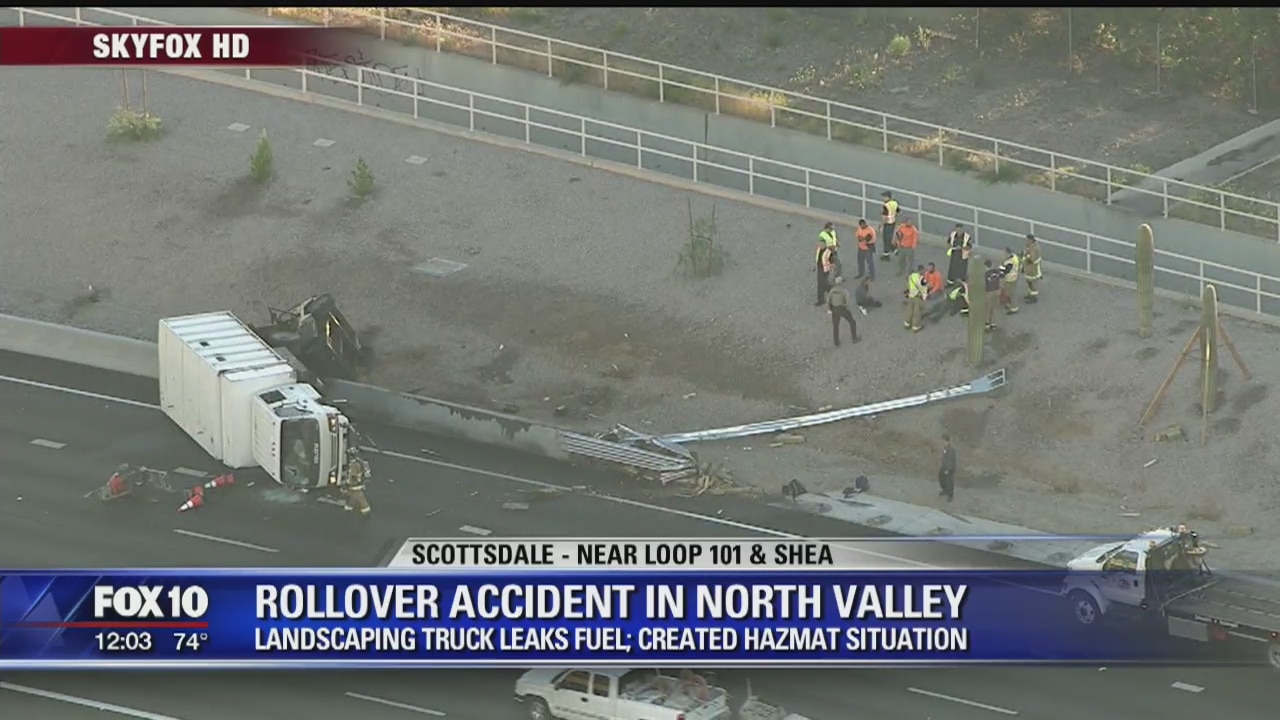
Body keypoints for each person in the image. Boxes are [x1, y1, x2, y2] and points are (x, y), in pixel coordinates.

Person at [826, 276, 859, 347]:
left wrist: (830, 308)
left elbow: (828, 301)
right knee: (852, 322)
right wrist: (846, 307)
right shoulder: (844, 291)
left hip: (834, 309)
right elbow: (847, 302)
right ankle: (854, 338)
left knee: (836, 326)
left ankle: (836, 342)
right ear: (841, 283)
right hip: (842, 308)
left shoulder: (832, 291)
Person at [998, 247, 1021, 314]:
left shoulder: (1009, 262)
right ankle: (1010, 304)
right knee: (1009, 292)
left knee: (1011, 294)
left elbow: (1005, 271)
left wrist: (999, 274)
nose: (1002, 254)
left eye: (1004, 253)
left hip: (1010, 279)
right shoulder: (1014, 257)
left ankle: (1014, 308)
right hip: (1013, 277)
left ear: (1007, 254)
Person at [904, 264, 926, 332]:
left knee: (910, 309)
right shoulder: (922, 279)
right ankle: (915, 326)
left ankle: (907, 323)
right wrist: (924, 297)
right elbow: (923, 289)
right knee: (917, 311)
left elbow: (908, 283)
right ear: (921, 270)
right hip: (917, 296)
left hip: (911, 294)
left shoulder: (912, 276)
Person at [983, 258, 1003, 331]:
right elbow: (1002, 275)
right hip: (997, 290)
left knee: (987, 308)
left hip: (989, 292)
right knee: (995, 307)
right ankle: (994, 323)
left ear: (985, 266)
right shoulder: (996, 271)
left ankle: (987, 324)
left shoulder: (985, 274)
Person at [1022, 234, 1043, 303]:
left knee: (1032, 283)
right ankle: (1030, 294)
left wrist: (1025, 259)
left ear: (1030, 240)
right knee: (1029, 281)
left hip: (1032, 269)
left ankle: (1033, 298)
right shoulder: (1031, 246)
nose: (1026, 241)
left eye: (1027, 240)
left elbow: (1032, 259)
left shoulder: (1034, 248)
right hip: (1029, 268)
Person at [879, 191, 899, 260]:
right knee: (889, 238)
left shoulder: (886, 205)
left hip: (887, 224)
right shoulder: (895, 203)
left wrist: (881, 225)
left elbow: (884, 217)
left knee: (886, 239)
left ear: (887, 197)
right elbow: (899, 212)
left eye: (884, 197)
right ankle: (894, 250)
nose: (883, 198)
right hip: (893, 223)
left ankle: (887, 254)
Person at [938, 434, 956, 501]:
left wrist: (948, 470)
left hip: (949, 468)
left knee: (949, 481)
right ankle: (945, 490)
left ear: (946, 441)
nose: (942, 442)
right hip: (944, 467)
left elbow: (950, 460)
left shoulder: (950, 449)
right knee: (941, 477)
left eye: (943, 440)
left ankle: (950, 495)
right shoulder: (945, 448)